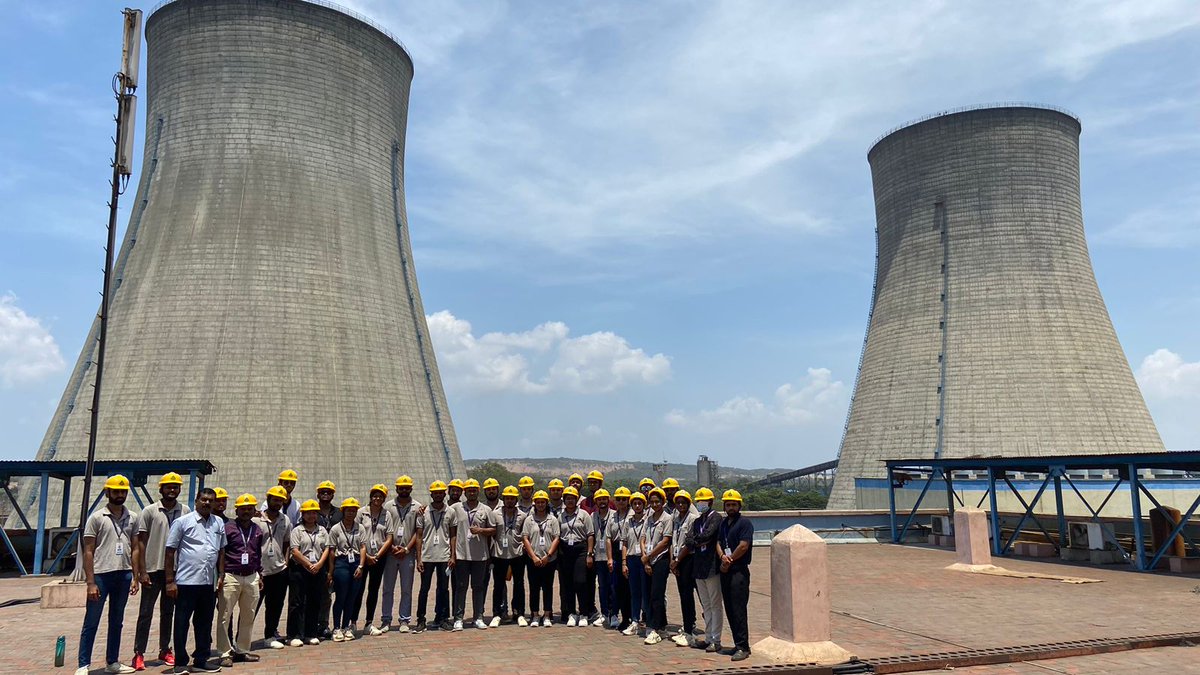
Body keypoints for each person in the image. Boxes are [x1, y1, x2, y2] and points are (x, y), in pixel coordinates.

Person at [76, 475, 139, 675]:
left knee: (117, 621)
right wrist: (90, 582)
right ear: (107, 493)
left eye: (123, 491)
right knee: (91, 621)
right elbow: (88, 550)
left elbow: (136, 548)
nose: (120, 495)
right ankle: (83, 664)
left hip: (123, 575)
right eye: (116, 491)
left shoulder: (133, 517)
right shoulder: (96, 518)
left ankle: (112, 662)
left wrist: (135, 576)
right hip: (101, 576)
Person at [164, 487, 226, 674]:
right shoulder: (183, 522)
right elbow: (169, 551)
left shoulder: (218, 523)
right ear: (196, 501)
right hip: (186, 582)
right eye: (204, 499)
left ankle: (201, 659)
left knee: (204, 622)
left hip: (208, 582)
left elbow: (221, 550)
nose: (207, 503)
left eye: (211, 500)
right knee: (182, 621)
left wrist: (221, 574)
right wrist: (169, 581)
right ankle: (181, 662)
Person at [133, 471, 189, 671]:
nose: (172, 490)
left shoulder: (185, 511)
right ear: (161, 489)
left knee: (168, 612)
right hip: (153, 569)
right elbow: (140, 542)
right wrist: (142, 571)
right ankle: (139, 653)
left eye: (175, 487)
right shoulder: (149, 511)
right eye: (168, 487)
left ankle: (165, 649)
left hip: (174, 571)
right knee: (145, 612)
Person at [216, 494, 263, 667]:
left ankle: (242, 650)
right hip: (231, 576)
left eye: (249, 509)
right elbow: (221, 553)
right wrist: (220, 575)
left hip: (251, 577)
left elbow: (257, 554)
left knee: (248, 615)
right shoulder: (227, 528)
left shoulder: (257, 530)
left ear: (254, 510)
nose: (246, 511)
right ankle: (225, 652)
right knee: (224, 616)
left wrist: (259, 574)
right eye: (243, 509)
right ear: (236, 510)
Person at [414, 480, 457, 633]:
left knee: (444, 589)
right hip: (427, 557)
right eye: (435, 492)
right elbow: (419, 536)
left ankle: (443, 618)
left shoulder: (450, 512)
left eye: (441, 492)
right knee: (424, 589)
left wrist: (452, 556)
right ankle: (421, 619)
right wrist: (418, 558)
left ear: (444, 494)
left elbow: (453, 535)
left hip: (444, 557)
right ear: (431, 494)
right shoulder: (423, 512)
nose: (438, 494)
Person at [253, 485, 291, 650]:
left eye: (280, 500)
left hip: (279, 570)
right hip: (259, 572)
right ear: (268, 500)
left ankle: (269, 635)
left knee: (275, 606)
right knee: (251, 607)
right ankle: (241, 639)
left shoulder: (285, 520)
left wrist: (286, 562)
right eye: (275, 499)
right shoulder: (256, 520)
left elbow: (287, 542)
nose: (277, 503)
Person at [287, 499, 330, 647]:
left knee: (314, 601)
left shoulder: (322, 530)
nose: (311, 516)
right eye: (308, 513)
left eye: (314, 513)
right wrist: (308, 564)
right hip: (300, 569)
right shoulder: (297, 530)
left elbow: (326, 549)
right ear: (303, 515)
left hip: (317, 569)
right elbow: (294, 550)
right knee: (297, 602)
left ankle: (311, 633)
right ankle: (294, 634)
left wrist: (318, 565)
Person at [452, 478, 493, 630]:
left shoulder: (486, 509)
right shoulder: (456, 508)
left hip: (480, 556)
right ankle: (458, 618)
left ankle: (478, 617)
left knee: (478, 587)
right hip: (462, 555)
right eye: (469, 490)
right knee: (461, 587)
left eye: (474, 490)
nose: (471, 492)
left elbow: (493, 530)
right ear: (465, 492)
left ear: (478, 491)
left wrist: (481, 531)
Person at [686, 487, 724, 653]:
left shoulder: (716, 518)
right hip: (699, 567)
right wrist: (698, 542)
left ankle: (716, 639)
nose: (701, 504)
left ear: (710, 501)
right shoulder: (697, 521)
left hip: (711, 566)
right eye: (698, 501)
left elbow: (708, 535)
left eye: (704, 501)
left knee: (715, 605)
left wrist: (698, 540)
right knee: (706, 605)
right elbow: (689, 540)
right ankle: (708, 637)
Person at [381, 475, 420, 633]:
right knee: (387, 588)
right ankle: (386, 619)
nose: (404, 490)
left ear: (411, 488)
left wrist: (406, 549)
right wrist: (391, 548)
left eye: (407, 487)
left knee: (406, 588)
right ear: (396, 489)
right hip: (390, 553)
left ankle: (404, 619)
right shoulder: (389, 506)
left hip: (407, 554)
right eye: (401, 488)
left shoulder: (417, 507)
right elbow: (383, 530)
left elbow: (418, 532)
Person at [718, 489, 754, 662]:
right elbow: (718, 543)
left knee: (739, 609)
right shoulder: (724, 524)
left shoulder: (744, 523)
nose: (730, 507)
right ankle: (737, 643)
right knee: (730, 609)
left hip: (738, 570)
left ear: (739, 505)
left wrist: (729, 559)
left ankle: (743, 647)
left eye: (733, 504)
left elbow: (743, 546)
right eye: (728, 504)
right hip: (725, 570)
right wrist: (722, 557)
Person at [329, 497, 367, 641]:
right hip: (342, 563)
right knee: (341, 596)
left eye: (353, 510)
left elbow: (363, 547)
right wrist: (331, 572)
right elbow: (332, 551)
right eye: (348, 510)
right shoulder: (336, 529)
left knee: (352, 597)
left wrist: (361, 566)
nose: (351, 513)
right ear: (343, 511)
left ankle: (346, 626)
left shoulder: (360, 527)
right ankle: (336, 627)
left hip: (356, 562)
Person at [556, 486, 594, 627]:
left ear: (577, 499)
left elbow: (590, 535)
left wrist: (589, 554)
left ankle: (583, 613)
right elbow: (557, 536)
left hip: (581, 550)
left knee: (580, 581)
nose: (570, 501)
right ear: (564, 500)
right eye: (567, 499)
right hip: (565, 551)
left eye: (572, 498)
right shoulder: (560, 516)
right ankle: (571, 613)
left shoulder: (583, 515)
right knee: (568, 584)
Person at [521, 490, 559, 627]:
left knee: (548, 587)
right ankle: (535, 615)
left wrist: (548, 556)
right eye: (538, 502)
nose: (541, 504)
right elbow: (525, 538)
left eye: (543, 502)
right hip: (534, 560)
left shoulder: (552, 519)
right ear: (534, 504)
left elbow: (556, 538)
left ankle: (547, 615)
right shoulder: (529, 520)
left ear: (546, 503)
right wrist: (533, 557)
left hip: (549, 559)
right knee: (534, 588)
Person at [489, 485, 526, 627]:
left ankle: (519, 613)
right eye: (507, 498)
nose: (509, 501)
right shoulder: (495, 514)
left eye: (512, 498)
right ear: (503, 499)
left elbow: (525, 535)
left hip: (517, 555)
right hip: (499, 555)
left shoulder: (522, 515)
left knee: (519, 584)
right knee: (498, 585)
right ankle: (497, 614)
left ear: (516, 500)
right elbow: (492, 533)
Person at [360, 485, 393, 636]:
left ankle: (369, 622)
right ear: (370, 496)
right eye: (375, 495)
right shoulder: (361, 512)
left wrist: (378, 555)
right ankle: (352, 622)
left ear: (384, 498)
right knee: (358, 590)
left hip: (379, 557)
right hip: (363, 557)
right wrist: (366, 556)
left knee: (373, 590)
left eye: (380, 496)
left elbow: (389, 537)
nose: (377, 498)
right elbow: (355, 535)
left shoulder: (387, 514)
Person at [641, 487, 673, 645]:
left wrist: (650, 556)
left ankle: (653, 627)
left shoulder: (667, 518)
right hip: (648, 560)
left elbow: (666, 541)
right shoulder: (649, 518)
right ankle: (662, 626)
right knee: (649, 593)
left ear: (663, 502)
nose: (654, 504)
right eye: (652, 501)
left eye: (657, 501)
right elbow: (642, 538)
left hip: (660, 560)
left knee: (657, 594)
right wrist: (645, 559)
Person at [668, 490, 699, 646]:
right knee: (683, 596)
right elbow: (673, 540)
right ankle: (687, 627)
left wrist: (677, 560)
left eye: (684, 502)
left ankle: (689, 629)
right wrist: (673, 561)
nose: (681, 505)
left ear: (689, 503)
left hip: (688, 560)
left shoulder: (693, 519)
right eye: (678, 502)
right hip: (677, 560)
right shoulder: (675, 518)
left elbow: (689, 543)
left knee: (688, 595)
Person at [620, 491, 649, 637]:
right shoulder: (628, 521)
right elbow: (624, 543)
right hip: (631, 558)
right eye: (635, 503)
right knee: (634, 592)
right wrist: (624, 562)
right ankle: (635, 621)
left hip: (643, 559)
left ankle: (649, 622)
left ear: (644, 505)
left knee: (646, 592)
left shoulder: (648, 520)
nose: (637, 506)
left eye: (640, 503)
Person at [313, 480, 339, 639]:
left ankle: (323, 625)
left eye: (329, 492)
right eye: (323, 492)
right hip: (315, 559)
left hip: (334, 560)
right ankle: (310, 624)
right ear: (318, 494)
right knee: (312, 594)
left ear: (333, 495)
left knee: (326, 595)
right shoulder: (311, 510)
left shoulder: (339, 513)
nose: (326, 494)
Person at [607, 486, 633, 630]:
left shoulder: (633, 515)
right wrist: (610, 558)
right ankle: (624, 617)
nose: (621, 502)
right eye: (618, 499)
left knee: (631, 588)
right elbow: (608, 538)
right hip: (617, 552)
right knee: (619, 587)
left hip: (630, 551)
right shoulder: (612, 517)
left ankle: (632, 617)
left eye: (624, 499)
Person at [590, 488, 614, 627]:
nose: (602, 502)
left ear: (608, 500)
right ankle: (604, 613)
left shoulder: (614, 515)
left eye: (604, 499)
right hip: (598, 556)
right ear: (596, 502)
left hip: (611, 556)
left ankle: (613, 613)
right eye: (599, 500)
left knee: (613, 586)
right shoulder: (593, 516)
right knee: (602, 586)